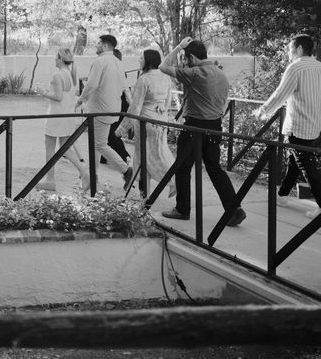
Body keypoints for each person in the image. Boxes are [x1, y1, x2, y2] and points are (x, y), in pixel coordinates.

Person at [159, 37, 245, 226]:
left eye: (186, 58)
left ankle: (182, 209)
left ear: (191, 57)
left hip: (194, 127)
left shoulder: (195, 73)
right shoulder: (220, 74)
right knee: (214, 169)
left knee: (182, 168)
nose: (185, 62)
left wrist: (178, 47)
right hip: (215, 126)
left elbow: (163, 66)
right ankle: (234, 209)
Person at [253, 34, 321, 218]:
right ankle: (282, 196)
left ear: (299, 49)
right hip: (315, 127)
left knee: (305, 164)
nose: (289, 54)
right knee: (295, 161)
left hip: (300, 126)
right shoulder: (319, 66)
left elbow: (280, 93)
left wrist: (263, 111)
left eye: (291, 50)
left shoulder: (296, 67)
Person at [76, 34, 133, 189]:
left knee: (100, 144)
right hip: (113, 109)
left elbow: (92, 84)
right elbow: (124, 87)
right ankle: (91, 178)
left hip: (100, 110)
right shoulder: (118, 63)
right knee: (97, 144)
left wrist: (81, 99)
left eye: (99, 43)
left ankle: (125, 170)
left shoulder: (99, 62)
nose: (96, 45)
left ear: (106, 45)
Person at [116, 49, 176, 198]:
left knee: (144, 156)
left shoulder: (144, 79)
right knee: (161, 153)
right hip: (160, 122)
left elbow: (135, 106)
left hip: (145, 122)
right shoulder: (165, 77)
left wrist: (122, 128)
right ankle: (169, 182)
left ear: (148, 60)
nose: (139, 60)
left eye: (141, 58)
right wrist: (163, 113)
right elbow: (168, 100)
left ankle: (166, 184)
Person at [35, 48, 90, 192]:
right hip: (67, 116)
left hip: (56, 116)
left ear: (60, 58)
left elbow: (58, 97)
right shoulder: (70, 75)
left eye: (55, 57)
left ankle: (50, 180)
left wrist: (43, 93)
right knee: (65, 148)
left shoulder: (58, 75)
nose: (54, 59)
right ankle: (84, 171)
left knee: (49, 149)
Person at [102, 48, 131, 165]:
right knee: (108, 132)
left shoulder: (116, 70)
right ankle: (104, 157)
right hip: (117, 104)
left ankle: (125, 156)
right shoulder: (119, 69)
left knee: (111, 133)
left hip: (118, 105)